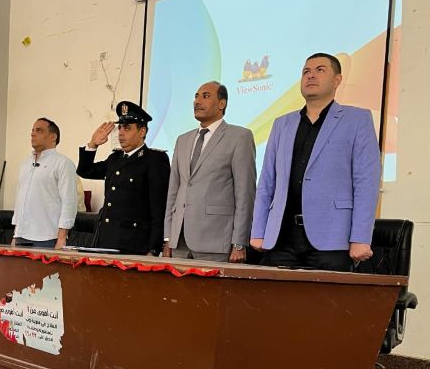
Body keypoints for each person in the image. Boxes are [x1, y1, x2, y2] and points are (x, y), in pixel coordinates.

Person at [250, 53, 381, 271]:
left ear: (337, 80)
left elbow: (367, 182)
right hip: (282, 237)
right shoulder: (282, 124)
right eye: (306, 72)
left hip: (332, 238)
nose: (311, 76)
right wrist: (258, 230)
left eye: (320, 70)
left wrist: (360, 237)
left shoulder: (357, 120)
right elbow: (267, 182)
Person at [162, 81, 257, 263]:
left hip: (216, 241)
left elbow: (245, 194)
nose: (197, 101)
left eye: (205, 96)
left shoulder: (239, 137)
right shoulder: (183, 140)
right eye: (196, 96)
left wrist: (239, 243)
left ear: (222, 104)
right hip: (179, 243)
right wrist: (168, 238)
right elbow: (173, 191)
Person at [77, 101, 170, 255]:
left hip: (134, 244)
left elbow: (158, 209)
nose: (120, 133)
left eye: (127, 128)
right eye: (120, 127)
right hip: (107, 241)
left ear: (142, 131)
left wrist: (153, 249)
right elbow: (85, 171)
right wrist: (93, 144)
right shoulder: (115, 158)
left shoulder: (154, 160)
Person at [11, 118, 78, 249]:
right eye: (32, 131)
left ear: (53, 137)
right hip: (21, 236)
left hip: (47, 237)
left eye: (39, 130)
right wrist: (15, 234)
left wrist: (62, 238)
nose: (33, 134)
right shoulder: (25, 163)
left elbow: (69, 201)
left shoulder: (63, 163)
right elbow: (20, 200)